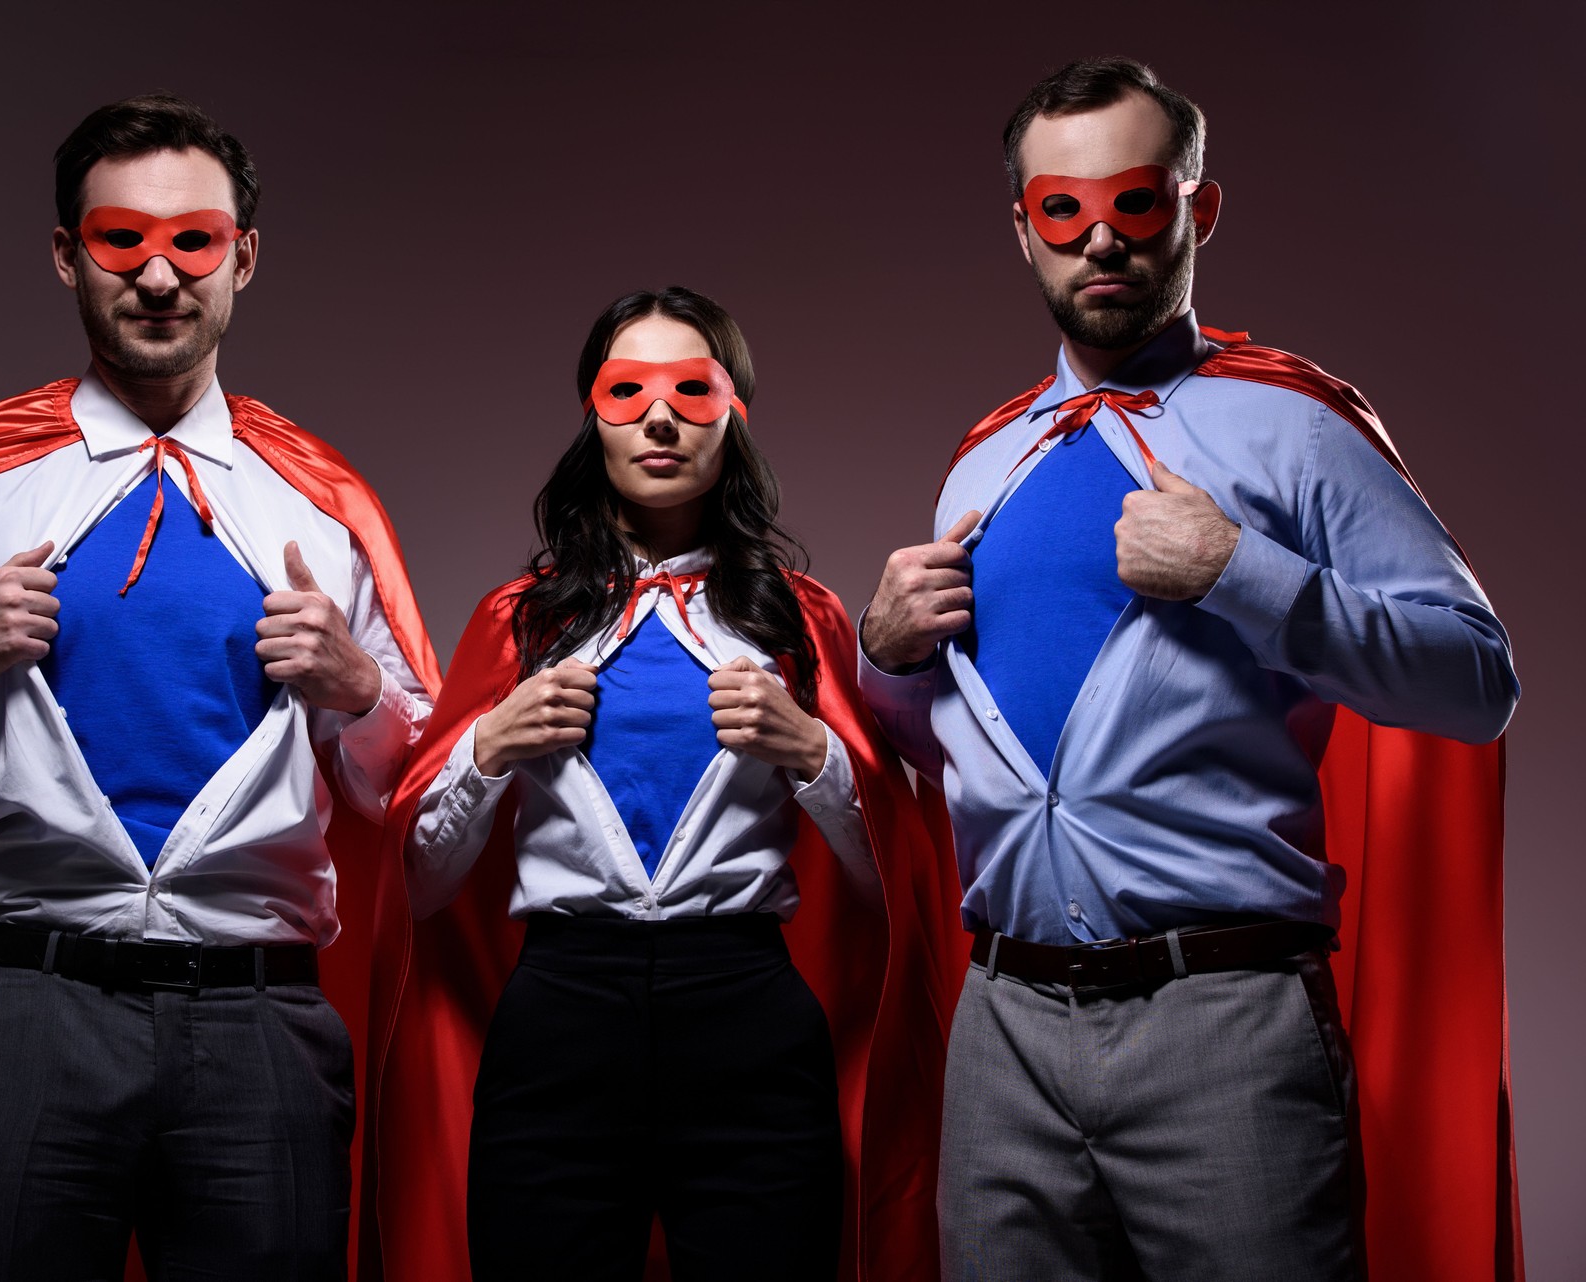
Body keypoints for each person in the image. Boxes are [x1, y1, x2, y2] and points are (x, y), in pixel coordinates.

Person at [858, 59, 1520, 1282]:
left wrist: (1239, 571)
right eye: (1063, 208)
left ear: (1197, 210)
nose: (1100, 236)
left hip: (1222, 1018)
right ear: (1024, 230)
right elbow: (937, 741)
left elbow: (1478, 679)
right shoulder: (980, 464)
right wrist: (884, 656)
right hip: (1003, 1028)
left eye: (1137, 202)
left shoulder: (1298, 425)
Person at [0, 94, 439, 1282]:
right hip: (29, 1009)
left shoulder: (325, 507)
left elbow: (422, 801)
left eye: (197, 243)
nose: (162, 276)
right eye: (124, 241)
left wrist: (360, 684)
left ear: (246, 258)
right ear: (70, 256)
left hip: (261, 1024)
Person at [361, 287, 950, 1282]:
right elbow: (413, 886)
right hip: (559, 1013)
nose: (661, 419)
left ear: (735, 415)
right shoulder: (520, 619)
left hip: (748, 1013)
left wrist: (813, 754)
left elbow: (888, 879)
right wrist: (487, 746)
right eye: (627, 392)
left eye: (691, 390)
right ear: (593, 417)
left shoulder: (800, 619)